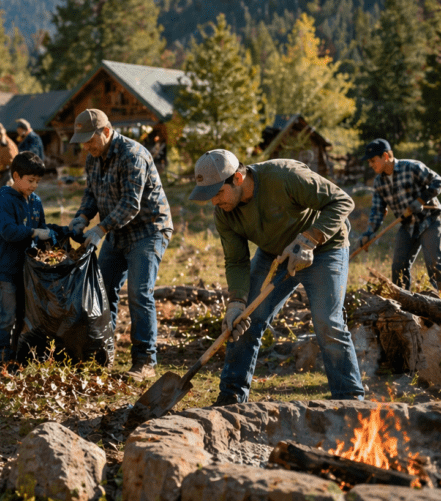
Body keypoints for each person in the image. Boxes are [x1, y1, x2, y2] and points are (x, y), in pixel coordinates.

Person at [189, 149, 364, 405]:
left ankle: (349, 400)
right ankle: (231, 397)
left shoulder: (285, 176)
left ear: (238, 178)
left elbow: (342, 201)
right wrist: (236, 302)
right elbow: (236, 261)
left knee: (327, 322)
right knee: (244, 320)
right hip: (274, 254)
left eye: (218, 192)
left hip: (325, 248)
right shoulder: (224, 213)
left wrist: (310, 239)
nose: (214, 202)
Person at [67, 109, 172, 381]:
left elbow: (130, 204)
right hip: (117, 230)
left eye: (90, 140)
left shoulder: (133, 155)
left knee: (139, 292)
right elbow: (91, 193)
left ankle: (145, 361)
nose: (86, 147)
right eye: (82, 142)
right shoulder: (93, 157)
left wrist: (100, 229)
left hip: (148, 230)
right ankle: (102, 355)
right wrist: (82, 217)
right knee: (102, 291)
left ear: (105, 131)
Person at [0, 152, 57, 363]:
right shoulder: (4, 200)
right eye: (30, 180)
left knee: (22, 315)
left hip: (26, 270)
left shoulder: (35, 201)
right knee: (5, 316)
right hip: (4, 270)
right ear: (16, 176)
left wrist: (54, 234)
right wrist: (33, 232)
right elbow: (8, 231)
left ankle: (16, 356)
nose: (34, 185)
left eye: (37, 181)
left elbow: (42, 227)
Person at [353, 138, 441, 289]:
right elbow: (377, 210)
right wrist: (369, 232)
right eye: (369, 162)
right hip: (407, 225)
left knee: (435, 264)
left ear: (386, 156)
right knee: (398, 267)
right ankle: (403, 301)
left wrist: (421, 200)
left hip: (430, 220)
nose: (370, 165)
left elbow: (438, 181)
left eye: (373, 160)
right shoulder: (379, 182)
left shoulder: (412, 167)